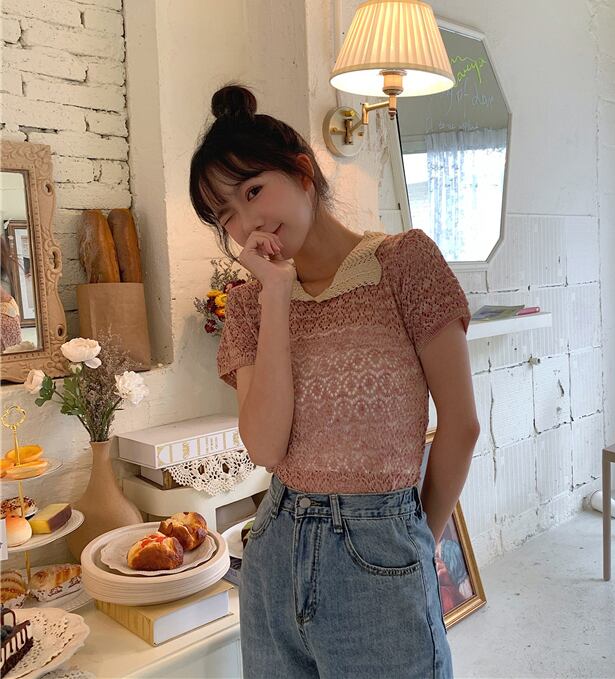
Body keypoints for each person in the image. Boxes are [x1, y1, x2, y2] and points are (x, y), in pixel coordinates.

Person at [189, 83, 479, 679]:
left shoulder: (403, 263)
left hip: (383, 550)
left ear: (302, 173)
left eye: (252, 191)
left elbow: (461, 424)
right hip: (275, 550)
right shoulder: (248, 305)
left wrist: (411, 542)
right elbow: (266, 448)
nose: (247, 223)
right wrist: (274, 294)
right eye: (226, 216)